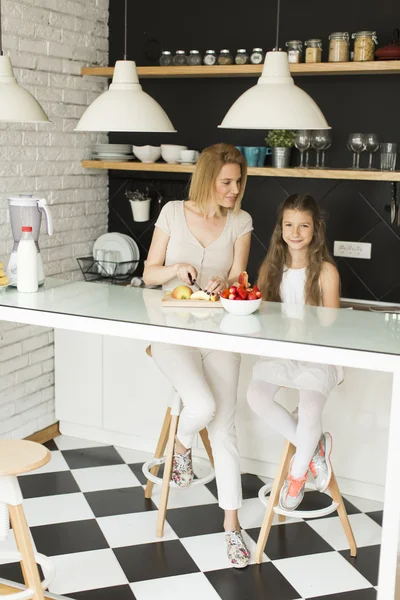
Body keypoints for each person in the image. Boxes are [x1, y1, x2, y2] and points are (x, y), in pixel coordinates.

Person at [143, 143, 253, 567]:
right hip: (171, 328)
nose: (234, 189)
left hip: (221, 333)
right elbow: (150, 273)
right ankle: (183, 445)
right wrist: (176, 269)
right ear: (208, 178)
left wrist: (224, 285)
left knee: (224, 428)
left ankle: (232, 528)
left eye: (239, 181)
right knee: (202, 404)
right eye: (227, 181)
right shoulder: (173, 212)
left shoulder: (240, 221)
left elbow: (237, 278)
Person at [247, 194, 343, 511]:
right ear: (281, 228)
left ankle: (297, 474)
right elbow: (262, 313)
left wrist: (304, 328)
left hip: (317, 352)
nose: (295, 232)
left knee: (310, 409)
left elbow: (330, 323)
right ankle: (315, 447)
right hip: (281, 350)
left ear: (315, 229)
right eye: (289, 225)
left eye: (303, 226)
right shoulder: (271, 268)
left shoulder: (326, 272)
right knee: (256, 396)